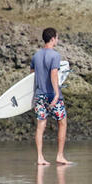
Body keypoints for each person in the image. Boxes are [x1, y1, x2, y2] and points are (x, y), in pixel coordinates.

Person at [31, 27, 70, 166]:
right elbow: (54, 75)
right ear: (53, 39)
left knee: (40, 125)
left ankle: (40, 157)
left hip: (39, 94)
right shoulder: (55, 55)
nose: (57, 40)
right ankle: (60, 156)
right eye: (57, 38)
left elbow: (32, 74)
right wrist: (56, 94)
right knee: (62, 122)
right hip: (52, 95)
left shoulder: (36, 55)